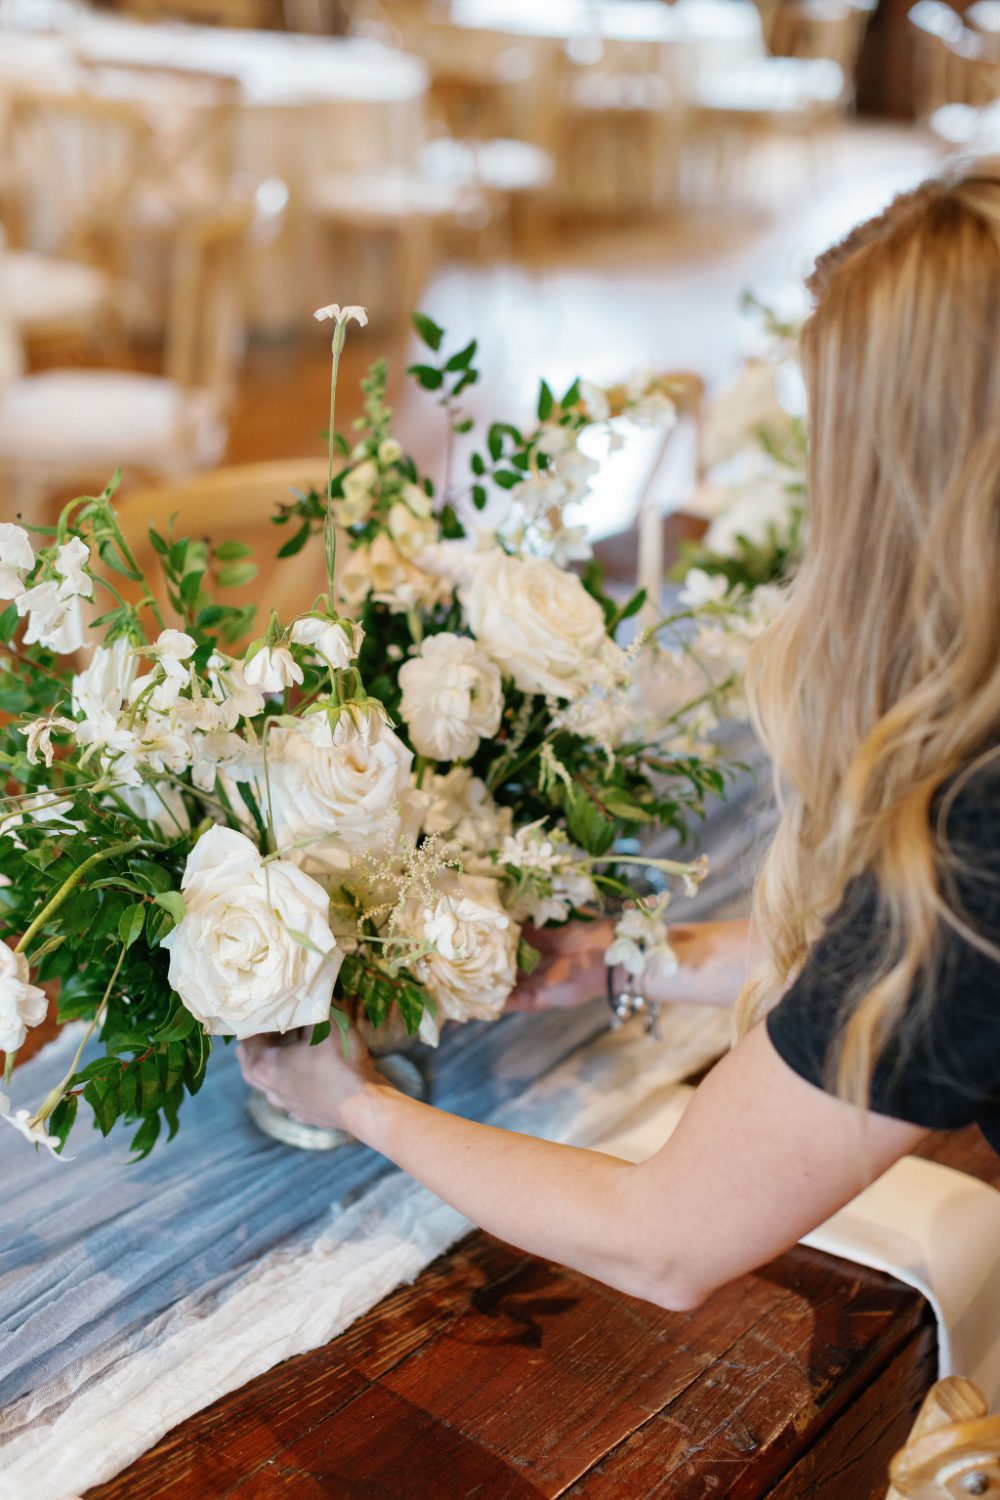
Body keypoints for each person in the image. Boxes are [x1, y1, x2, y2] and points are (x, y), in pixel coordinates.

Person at [239, 156, 1000, 1313]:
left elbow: (663, 1239)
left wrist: (351, 1102)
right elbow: (907, 980)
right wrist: (630, 957)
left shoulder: (976, 836)